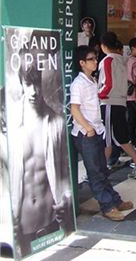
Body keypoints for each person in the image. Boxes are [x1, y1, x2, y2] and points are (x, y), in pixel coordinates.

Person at [8, 51, 74, 257]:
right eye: (28, 84)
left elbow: (64, 170)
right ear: (21, 83)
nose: (34, 91)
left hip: (51, 219)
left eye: (37, 83)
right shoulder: (11, 126)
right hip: (22, 225)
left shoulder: (56, 123)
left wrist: (67, 199)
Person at [71, 46, 134, 222]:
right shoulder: (79, 83)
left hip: (97, 131)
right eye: (91, 59)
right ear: (82, 63)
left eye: (95, 58)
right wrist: (88, 129)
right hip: (87, 134)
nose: (95, 61)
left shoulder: (92, 80)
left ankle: (114, 200)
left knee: (102, 170)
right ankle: (107, 206)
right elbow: (74, 109)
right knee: (95, 173)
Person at [98, 31, 136, 179]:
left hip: (109, 101)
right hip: (120, 101)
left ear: (103, 46)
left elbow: (108, 83)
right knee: (121, 136)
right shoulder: (123, 60)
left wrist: (97, 95)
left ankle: (99, 172)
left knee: (107, 138)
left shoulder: (107, 60)